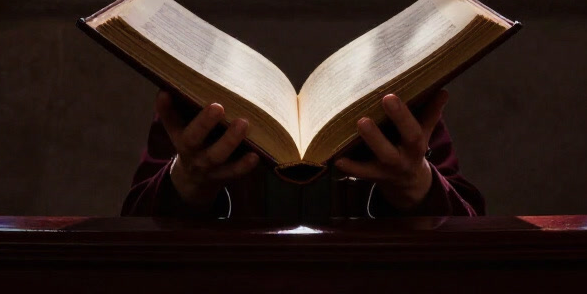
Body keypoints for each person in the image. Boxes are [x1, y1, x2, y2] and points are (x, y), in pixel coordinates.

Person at [122, 89, 484, 219]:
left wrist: (415, 183)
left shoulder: (408, 119)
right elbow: (129, 250)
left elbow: (473, 249)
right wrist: (185, 183)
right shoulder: (187, 117)